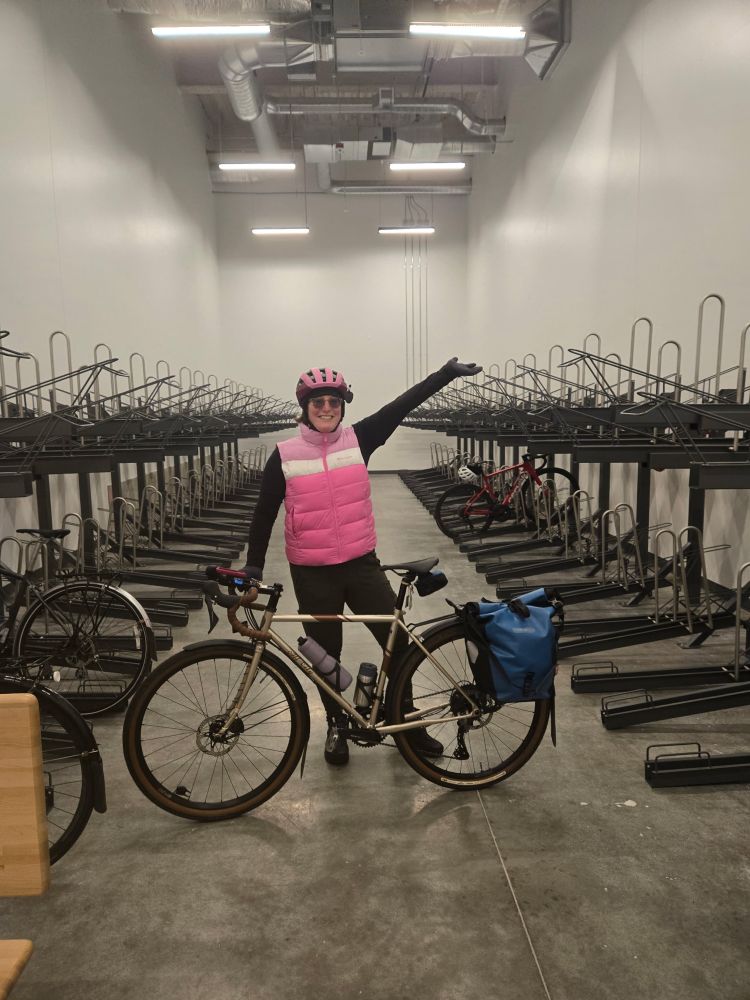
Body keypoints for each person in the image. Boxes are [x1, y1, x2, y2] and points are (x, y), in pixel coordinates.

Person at [242, 358, 482, 765]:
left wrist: (443, 375)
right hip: (312, 572)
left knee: (399, 645)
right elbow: (264, 513)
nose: (326, 408)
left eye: (333, 401)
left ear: (342, 406)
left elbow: (401, 406)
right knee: (324, 656)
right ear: (305, 406)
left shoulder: (360, 438)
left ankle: (405, 720)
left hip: (361, 565)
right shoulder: (284, 454)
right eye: (317, 401)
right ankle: (337, 726)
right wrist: (253, 568)